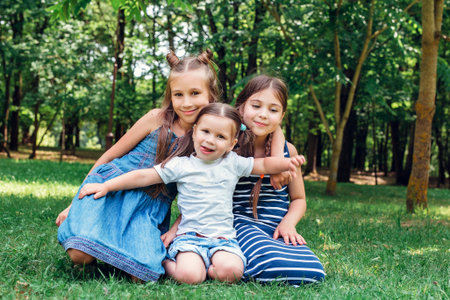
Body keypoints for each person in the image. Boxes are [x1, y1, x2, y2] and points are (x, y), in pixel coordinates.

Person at [77, 103, 306, 285]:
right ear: (195, 132)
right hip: (189, 237)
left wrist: (287, 163)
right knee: (190, 277)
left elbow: (265, 165)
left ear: (232, 143)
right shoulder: (181, 165)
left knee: (233, 272)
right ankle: (164, 260)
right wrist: (107, 186)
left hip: (224, 239)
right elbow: (143, 176)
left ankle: (206, 265)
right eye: (205, 131)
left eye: (220, 137)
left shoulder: (233, 163)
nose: (210, 140)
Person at [56, 49, 219, 282]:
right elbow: (108, 157)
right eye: (178, 94)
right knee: (79, 256)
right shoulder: (156, 118)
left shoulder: (208, 139)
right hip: (110, 190)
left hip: (150, 206)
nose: (186, 103)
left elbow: (254, 122)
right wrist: (74, 204)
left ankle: (122, 253)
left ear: (211, 94)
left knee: (141, 275)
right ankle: (97, 243)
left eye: (195, 93)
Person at [233, 75, 326, 285]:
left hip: (276, 226)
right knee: (273, 266)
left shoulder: (288, 151)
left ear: (282, 116)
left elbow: (299, 199)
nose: (263, 115)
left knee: (312, 272)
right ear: (240, 107)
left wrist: (288, 224)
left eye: (273, 110)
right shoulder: (229, 146)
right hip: (239, 224)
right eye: (256, 106)